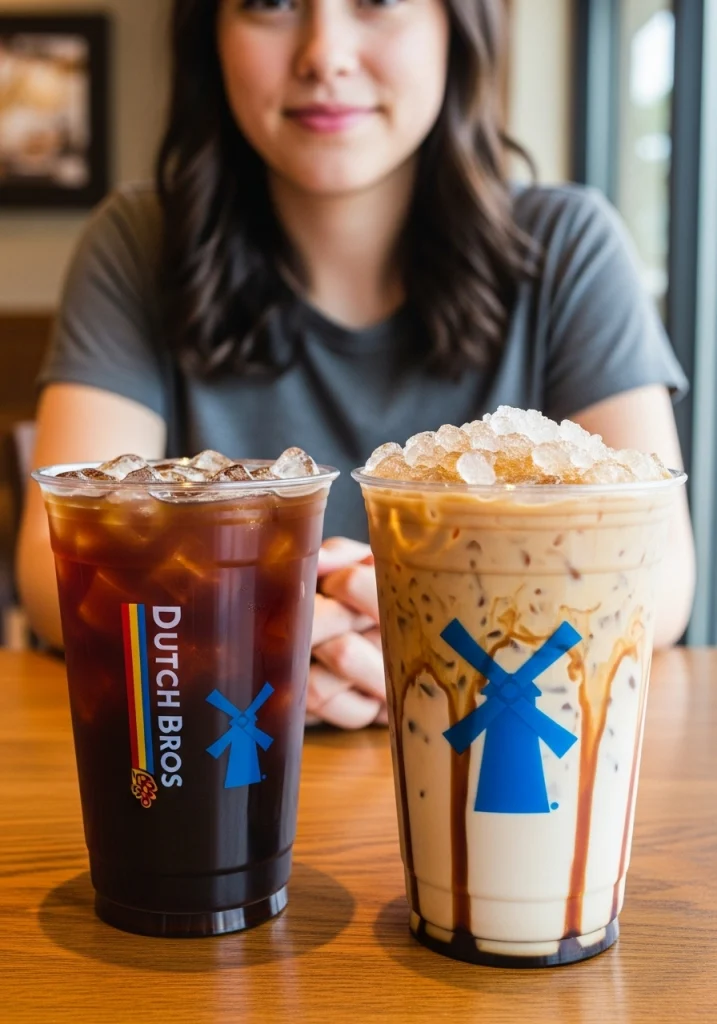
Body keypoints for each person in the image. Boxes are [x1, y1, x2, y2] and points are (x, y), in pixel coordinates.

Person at [17, 0, 694, 729]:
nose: (325, 54)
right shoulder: (137, 245)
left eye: (377, 1)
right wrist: (274, 630)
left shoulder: (569, 247)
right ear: (208, 34)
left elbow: (654, 581)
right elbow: (59, 574)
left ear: (458, 29)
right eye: (271, 3)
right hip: (208, 766)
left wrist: (416, 633)